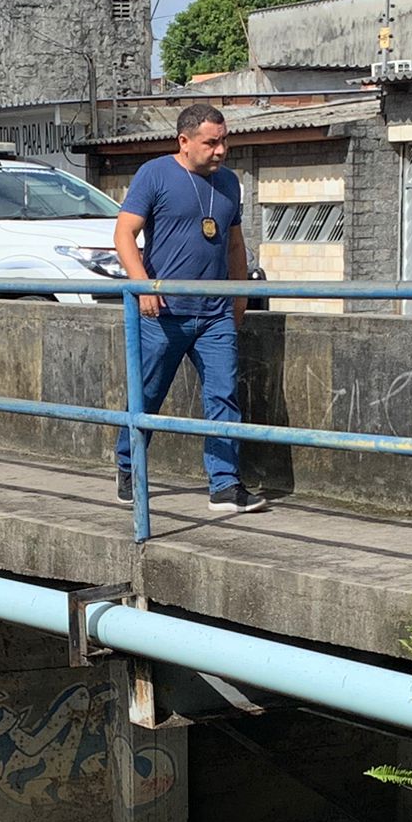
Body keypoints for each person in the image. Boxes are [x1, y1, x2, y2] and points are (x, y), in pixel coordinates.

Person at [113, 103, 266, 514]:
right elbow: (124, 233)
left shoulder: (230, 183)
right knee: (146, 394)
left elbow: (235, 245)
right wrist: (141, 284)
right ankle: (129, 466)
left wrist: (239, 299)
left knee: (223, 395)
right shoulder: (155, 174)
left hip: (215, 313)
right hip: (163, 312)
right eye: (210, 142)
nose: (220, 151)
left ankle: (224, 484)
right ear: (184, 141)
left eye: (224, 141)